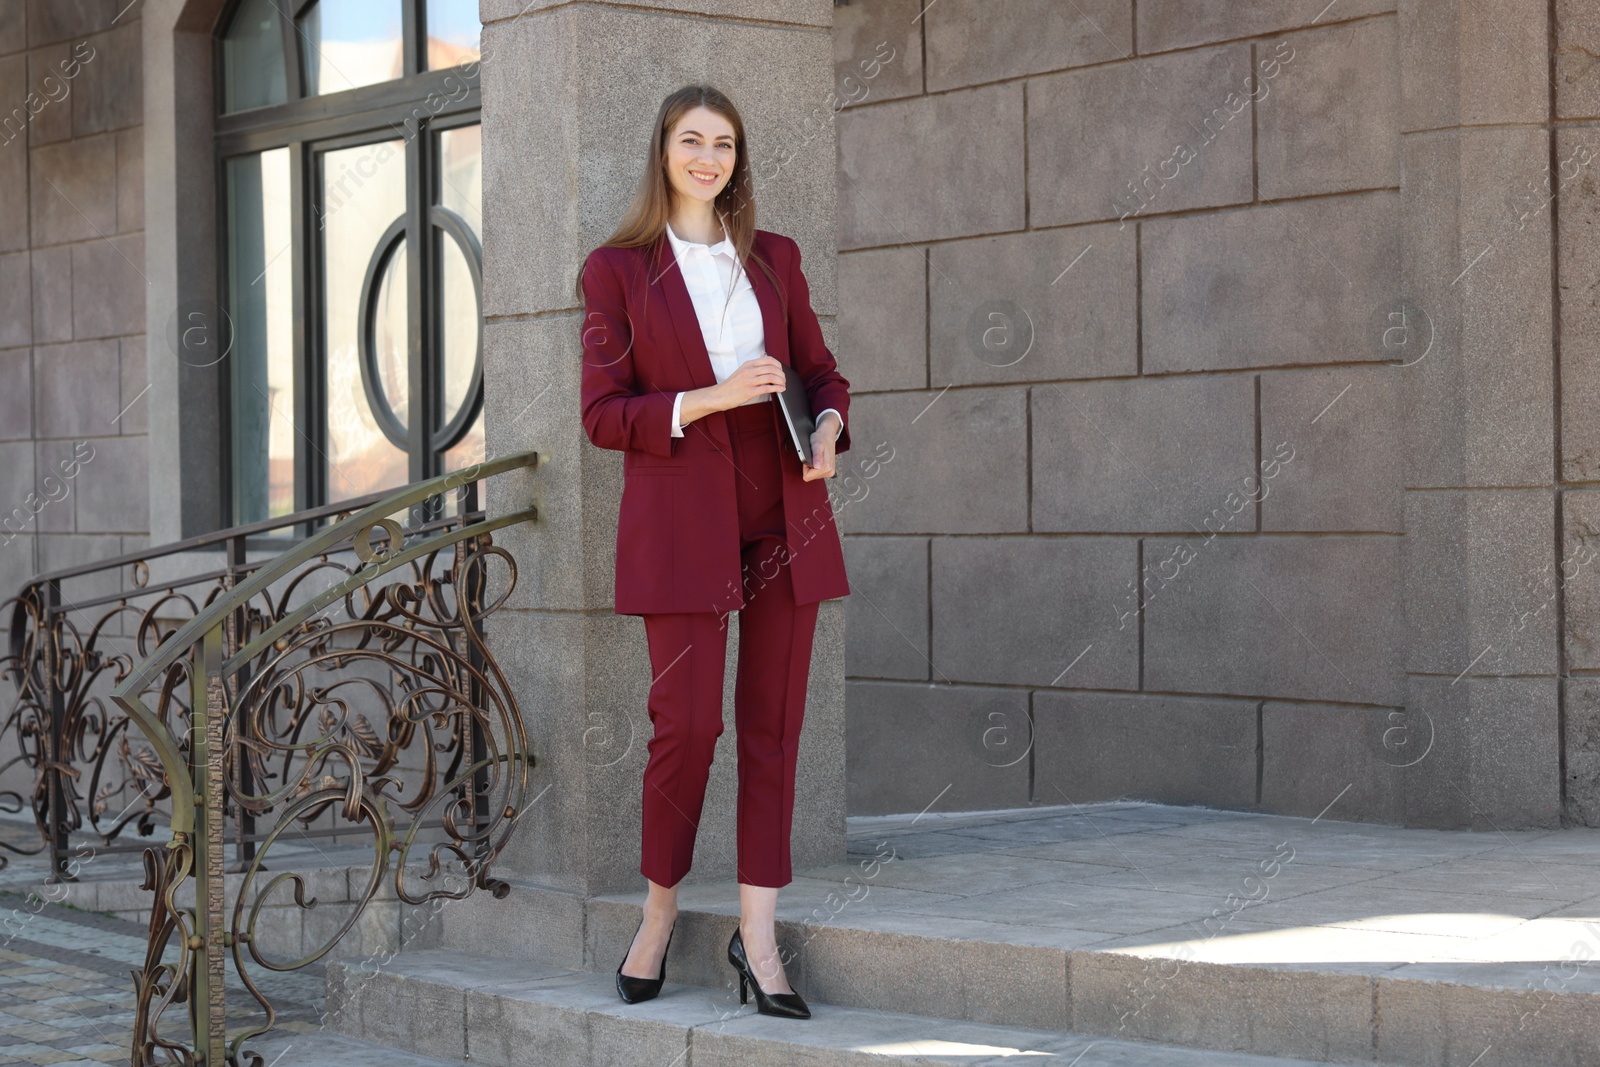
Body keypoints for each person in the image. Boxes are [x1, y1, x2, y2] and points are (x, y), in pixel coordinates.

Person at [575, 84, 853, 1019]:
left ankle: (759, 939)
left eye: (724, 143)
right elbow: (603, 414)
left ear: (739, 156)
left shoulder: (774, 258)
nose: (708, 157)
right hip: (681, 530)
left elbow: (821, 370)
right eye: (691, 141)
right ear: (662, 151)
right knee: (687, 727)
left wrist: (830, 427)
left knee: (773, 729)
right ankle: (657, 914)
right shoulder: (617, 271)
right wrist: (712, 397)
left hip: (785, 512)